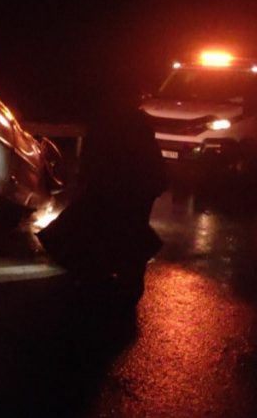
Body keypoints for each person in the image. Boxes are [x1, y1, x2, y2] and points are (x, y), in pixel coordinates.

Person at [38, 80, 167, 310]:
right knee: (121, 231)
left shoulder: (115, 121)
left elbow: (98, 155)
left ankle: (104, 279)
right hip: (127, 186)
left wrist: (86, 180)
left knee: (114, 230)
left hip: (124, 186)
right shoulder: (129, 122)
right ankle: (108, 279)